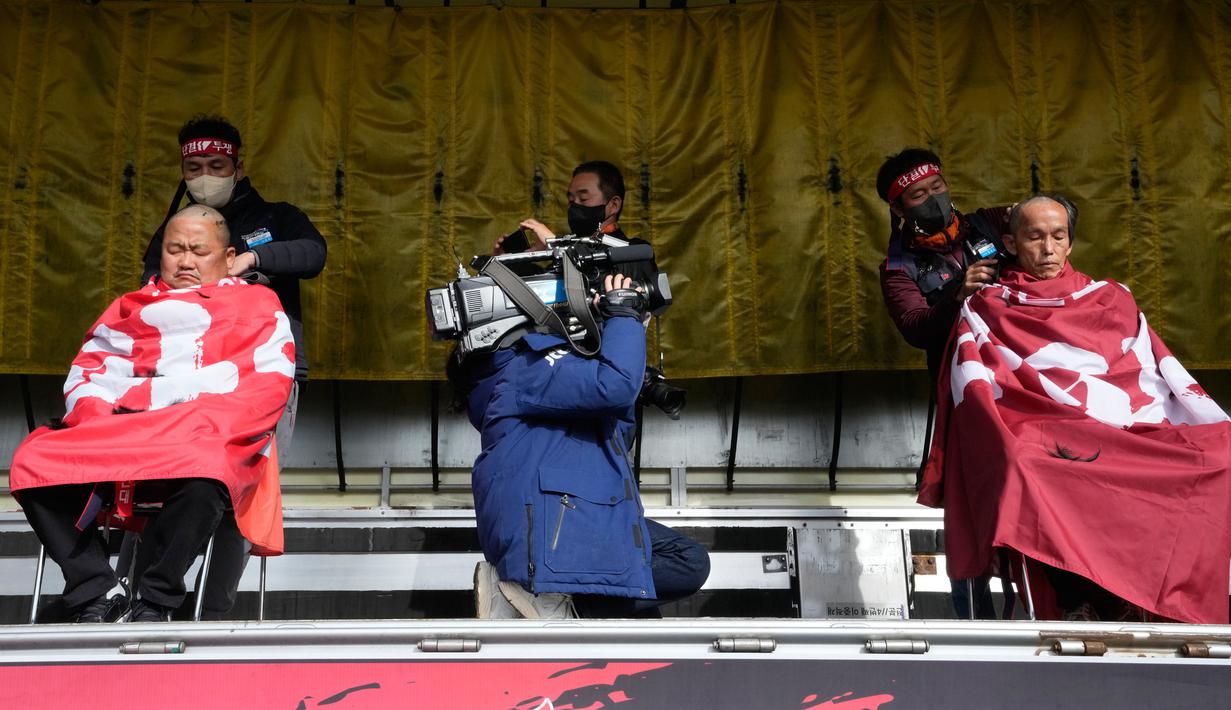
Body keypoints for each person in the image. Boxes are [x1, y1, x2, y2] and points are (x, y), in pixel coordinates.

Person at [918, 195, 1231, 623]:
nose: (1047, 249)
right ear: (1009, 242)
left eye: (1058, 236)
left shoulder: (1111, 297)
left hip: (1122, 422)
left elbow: (1148, 370)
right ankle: (1076, 596)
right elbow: (976, 383)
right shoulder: (987, 303)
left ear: (1070, 243)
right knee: (1024, 462)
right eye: (1035, 237)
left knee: (1218, 454)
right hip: (1043, 423)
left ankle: (1144, 586)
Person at [12, 205, 295, 623]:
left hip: (197, 433)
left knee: (209, 469)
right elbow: (89, 374)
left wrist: (186, 419)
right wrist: (108, 420)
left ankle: (156, 599)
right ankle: (96, 589)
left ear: (229, 257)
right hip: (122, 433)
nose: (185, 261)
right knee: (34, 460)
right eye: (174, 249)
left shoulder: (258, 304)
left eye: (199, 251)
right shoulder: (129, 307)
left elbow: (265, 387)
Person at [140, 115, 326, 618]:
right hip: (184, 377)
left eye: (216, 165)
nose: (205, 174)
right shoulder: (172, 232)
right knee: (172, 486)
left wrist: (249, 259)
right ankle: (147, 602)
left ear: (238, 166)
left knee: (245, 493)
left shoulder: (277, 216)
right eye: (194, 166)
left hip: (264, 376)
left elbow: (313, 253)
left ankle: (213, 613)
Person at [453, 274, 709, 619]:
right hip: (556, 522)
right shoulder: (526, 367)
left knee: (661, 591)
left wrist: (620, 335)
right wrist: (622, 314)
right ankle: (552, 599)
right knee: (682, 569)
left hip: (574, 514)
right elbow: (615, 385)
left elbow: (611, 443)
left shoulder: (532, 374)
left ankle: (563, 603)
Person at [876, 148, 1010, 619]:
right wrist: (958, 294)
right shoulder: (898, 268)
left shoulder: (990, 225)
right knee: (968, 505)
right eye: (919, 195)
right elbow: (914, 327)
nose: (934, 198)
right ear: (898, 208)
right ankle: (974, 622)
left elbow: (1046, 219)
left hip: (1028, 387)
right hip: (967, 400)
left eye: (937, 187)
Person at [495, 161, 657, 284]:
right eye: (571, 200)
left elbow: (597, 280)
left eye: (583, 198)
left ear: (613, 205)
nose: (574, 206)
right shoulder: (571, 247)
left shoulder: (635, 251)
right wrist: (509, 262)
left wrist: (557, 246)